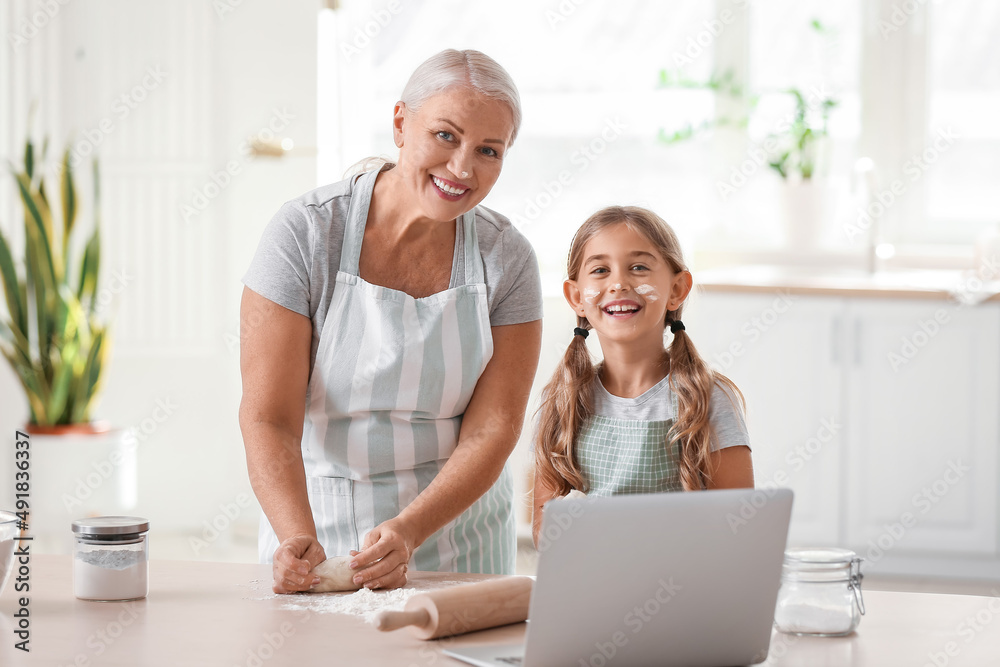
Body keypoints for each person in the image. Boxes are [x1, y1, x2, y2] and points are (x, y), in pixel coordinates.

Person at [240, 49, 542, 593]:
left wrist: (410, 529)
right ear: (401, 123)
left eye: (488, 151)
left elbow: (494, 428)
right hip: (319, 529)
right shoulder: (305, 234)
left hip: (458, 540)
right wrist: (296, 539)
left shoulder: (507, 258)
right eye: (446, 136)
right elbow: (268, 417)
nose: (462, 168)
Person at [531, 206, 753, 544]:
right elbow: (544, 530)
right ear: (576, 297)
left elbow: (738, 527)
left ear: (677, 289)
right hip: (592, 587)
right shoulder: (563, 400)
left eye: (638, 267)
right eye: (601, 270)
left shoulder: (708, 398)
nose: (619, 283)